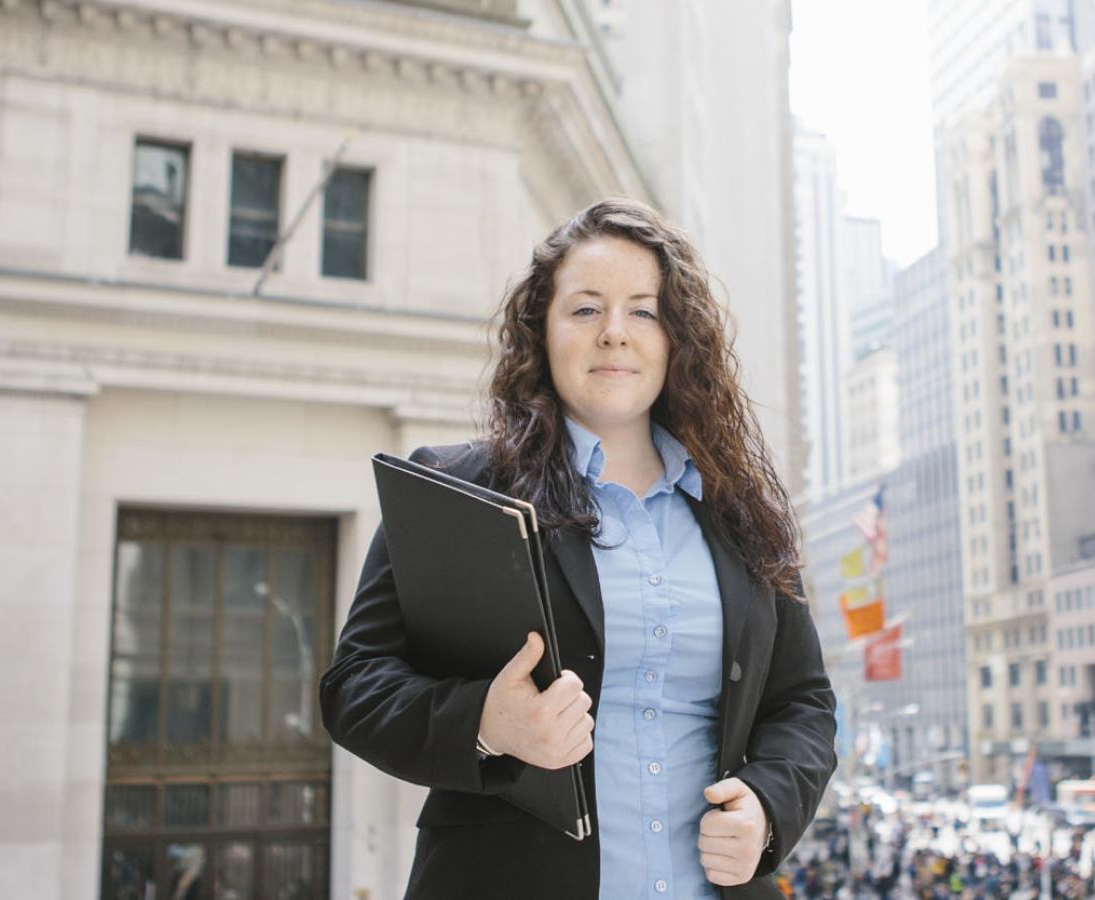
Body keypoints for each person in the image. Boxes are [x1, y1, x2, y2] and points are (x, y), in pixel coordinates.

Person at [320, 199, 838, 898]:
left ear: (676, 339)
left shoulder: (739, 512)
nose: (614, 334)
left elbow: (802, 702)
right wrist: (487, 724)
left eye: (643, 312)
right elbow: (355, 686)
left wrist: (769, 806)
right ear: (542, 331)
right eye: (586, 310)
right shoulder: (458, 490)